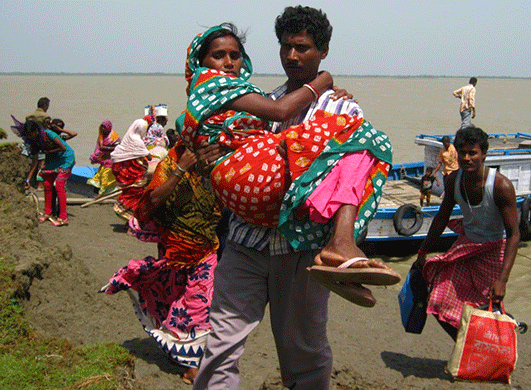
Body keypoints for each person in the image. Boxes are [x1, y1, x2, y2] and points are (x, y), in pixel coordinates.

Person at [192, 8, 394, 390]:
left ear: (323, 51)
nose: (291, 56)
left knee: (305, 353)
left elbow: (346, 175)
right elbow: (234, 164)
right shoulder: (262, 103)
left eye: (302, 47)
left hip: (299, 251)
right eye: (285, 46)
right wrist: (211, 162)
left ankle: (343, 244)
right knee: (219, 346)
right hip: (244, 243)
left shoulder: (341, 109)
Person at [101, 141, 222, 384]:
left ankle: (193, 365)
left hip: (207, 249)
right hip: (174, 251)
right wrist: (181, 169)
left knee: (199, 307)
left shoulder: (217, 163)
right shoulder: (170, 164)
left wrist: (212, 170)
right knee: (174, 301)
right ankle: (182, 352)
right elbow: (149, 204)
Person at [414, 126, 520, 340]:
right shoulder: (453, 180)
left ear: (484, 154)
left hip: (493, 249)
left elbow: (514, 235)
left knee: (485, 311)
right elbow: (442, 217)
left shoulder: (501, 186)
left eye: (472, 153)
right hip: (466, 245)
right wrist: (423, 250)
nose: (466, 158)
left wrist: (503, 280)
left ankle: (481, 352)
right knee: (437, 298)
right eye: (462, 152)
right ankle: (464, 346)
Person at [110, 111, 167, 221]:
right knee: (136, 197)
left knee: (128, 194)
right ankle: (132, 222)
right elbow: (149, 158)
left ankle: (128, 218)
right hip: (134, 178)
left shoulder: (126, 140)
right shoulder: (138, 142)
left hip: (124, 177)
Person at [21, 120, 76, 226]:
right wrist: (28, 179)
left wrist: (48, 152)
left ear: (36, 131)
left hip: (65, 158)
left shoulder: (48, 134)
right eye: (29, 135)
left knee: (59, 185)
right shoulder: (33, 141)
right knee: (47, 184)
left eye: (32, 134)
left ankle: (63, 217)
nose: (31, 137)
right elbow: (35, 161)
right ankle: (48, 213)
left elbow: (63, 147)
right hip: (51, 161)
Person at [87, 120, 121, 197]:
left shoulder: (114, 137)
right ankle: (101, 192)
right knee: (99, 176)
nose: (102, 129)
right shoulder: (101, 137)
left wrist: (106, 148)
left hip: (111, 160)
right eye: (101, 127)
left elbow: (118, 148)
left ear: (108, 128)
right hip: (104, 160)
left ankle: (100, 194)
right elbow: (99, 148)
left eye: (104, 127)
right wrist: (96, 156)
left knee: (106, 177)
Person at [25, 97, 52, 191]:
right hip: (41, 141)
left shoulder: (29, 116)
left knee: (34, 161)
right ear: (45, 106)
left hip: (30, 141)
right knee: (42, 163)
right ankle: (40, 185)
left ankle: (33, 181)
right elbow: (49, 129)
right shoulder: (45, 116)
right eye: (48, 105)